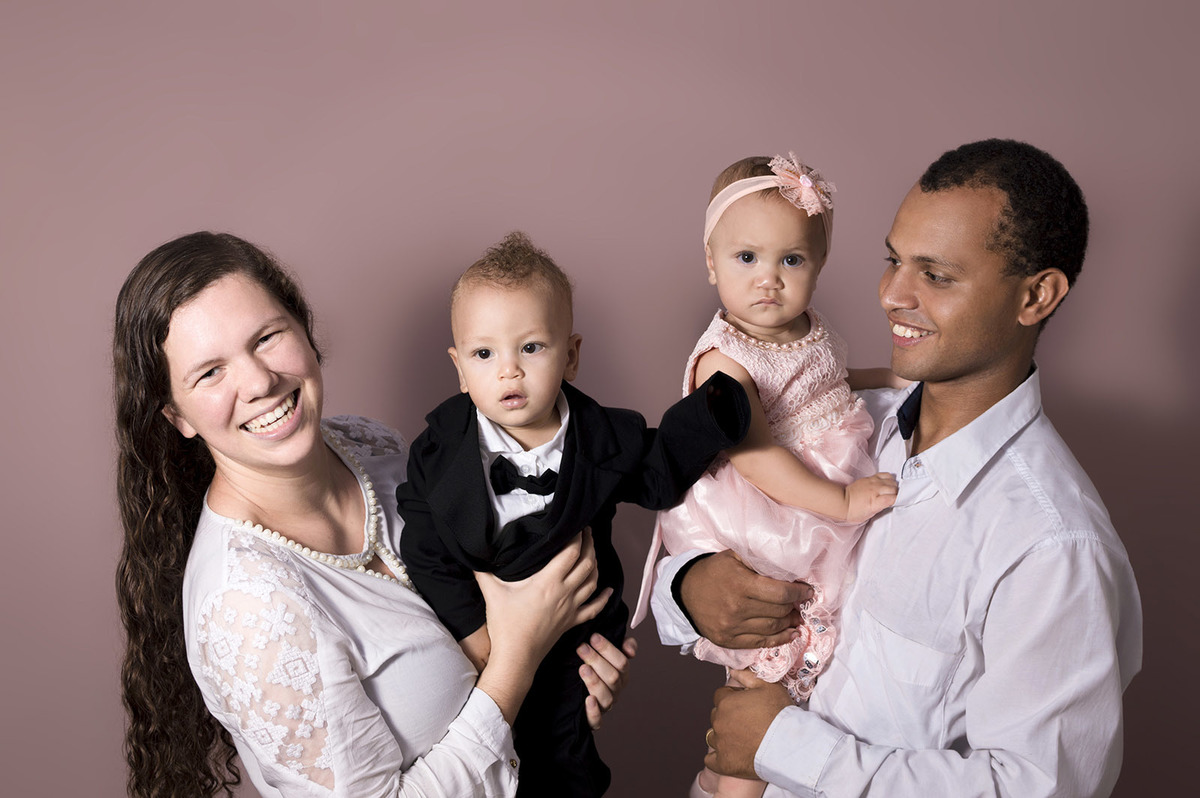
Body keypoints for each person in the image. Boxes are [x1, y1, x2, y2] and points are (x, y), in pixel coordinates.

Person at [649, 139, 1143, 797]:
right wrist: (692, 588)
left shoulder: (1051, 548)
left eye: (936, 275)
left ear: (1036, 297)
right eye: (893, 260)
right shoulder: (844, 423)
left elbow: (1035, 788)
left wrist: (782, 748)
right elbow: (710, 525)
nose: (892, 295)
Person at [114, 231, 636, 798]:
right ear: (177, 415)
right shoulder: (247, 607)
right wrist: (519, 660)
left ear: (305, 331)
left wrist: (571, 678)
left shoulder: (376, 450)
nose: (260, 382)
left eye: (267, 337)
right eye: (209, 372)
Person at [396, 231, 751, 797]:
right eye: (484, 354)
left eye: (530, 348)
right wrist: (476, 633)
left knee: (566, 758)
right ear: (459, 368)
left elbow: (658, 472)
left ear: (572, 355)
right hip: (476, 641)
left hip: (576, 637)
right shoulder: (438, 453)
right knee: (479, 752)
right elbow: (423, 548)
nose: (508, 371)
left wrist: (717, 408)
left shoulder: (603, 438)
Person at [630, 153, 899, 798]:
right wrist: (840, 498)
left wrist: (884, 377)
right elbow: (755, 455)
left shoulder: (804, 328)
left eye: (792, 261)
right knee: (763, 664)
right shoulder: (725, 359)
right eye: (746, 258)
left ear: (821, 259)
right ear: (710, 260)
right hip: (769, 504)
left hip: (811, 469)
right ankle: (731, 783)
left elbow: (825, 381)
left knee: (808, 675)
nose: (768, 281)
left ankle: (740, 773)